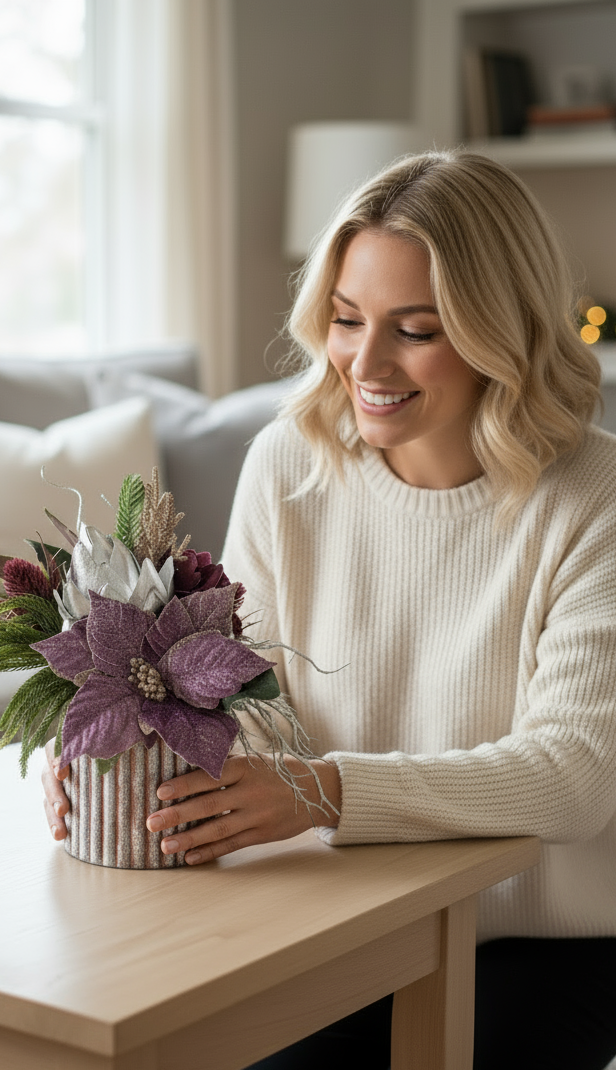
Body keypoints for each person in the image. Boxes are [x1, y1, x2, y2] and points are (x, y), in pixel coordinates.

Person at [42, 150, 616, 1069]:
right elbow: (247, 707)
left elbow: (572, 777)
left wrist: (323, 792)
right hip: (343, 911)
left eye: (416, 330)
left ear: (496, 330)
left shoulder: (594, 493)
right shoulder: (287, 463)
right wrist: (126, 762)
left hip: (542, 940)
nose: (365, 362)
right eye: (346, 320)